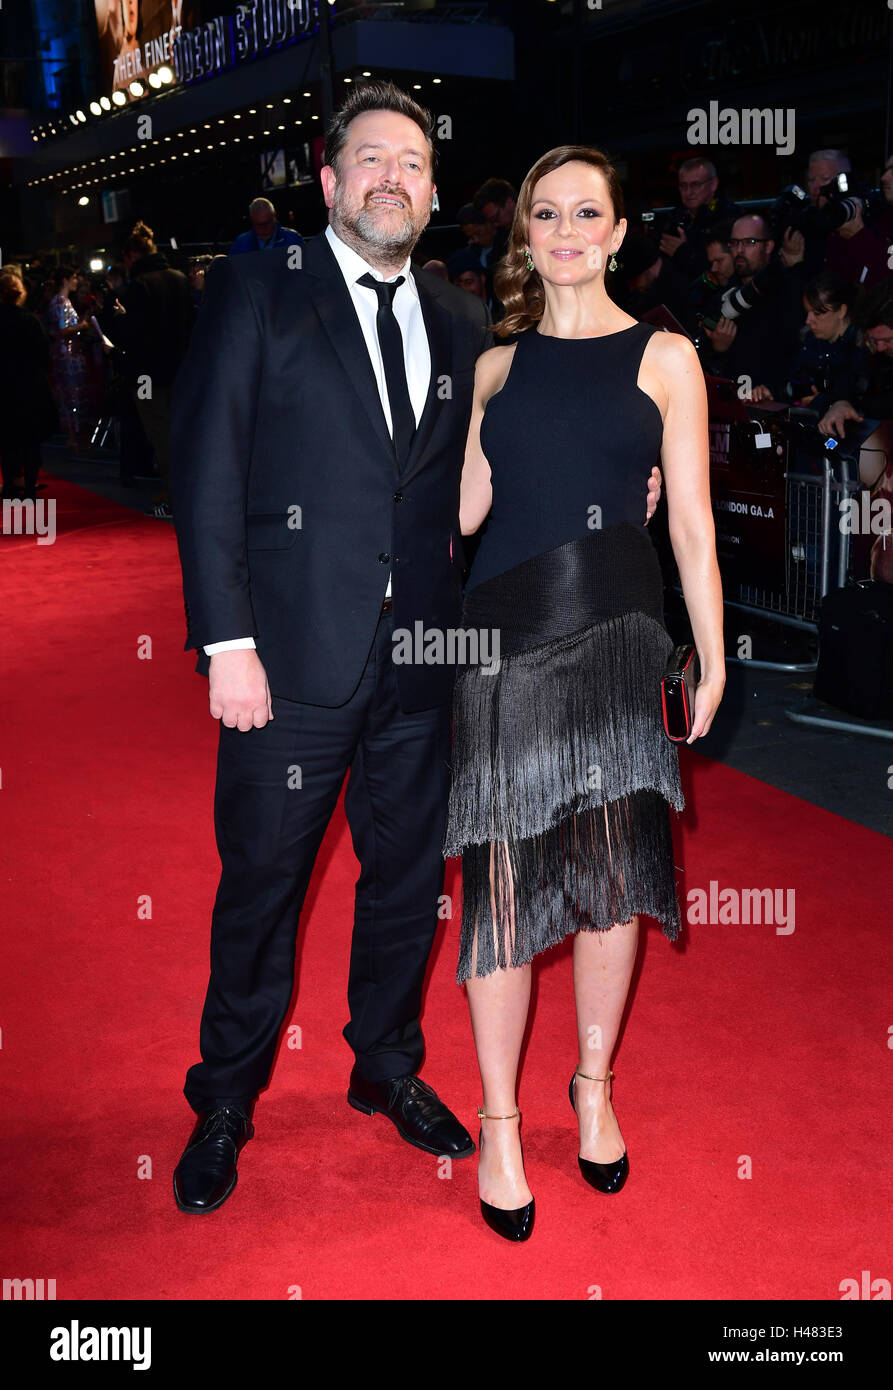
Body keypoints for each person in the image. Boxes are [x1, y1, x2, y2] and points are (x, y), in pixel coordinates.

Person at [169, 81, 559, 1216]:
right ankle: (225, 1096)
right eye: (372, 157)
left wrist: (618, 468)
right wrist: (224, 641)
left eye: (414, 163)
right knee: (262, 885)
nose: (394, 176)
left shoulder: (457, 314)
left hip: (421, 661)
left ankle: (384, 1063)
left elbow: (485, 480)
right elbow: (204, 475)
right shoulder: (257, 288)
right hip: (285, 660)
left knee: (404, 885)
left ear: (432, 195)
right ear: (329, 179)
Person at [444, 145, 724, 1242]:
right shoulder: (494, 370)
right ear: (524, 235)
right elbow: (465, 514)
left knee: (611, 885)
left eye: (586, 213)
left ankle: (591, 1088)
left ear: (616, 233)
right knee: (504, 895)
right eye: (544, 213)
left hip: (614, 642)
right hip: (502, 651)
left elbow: (692, 523)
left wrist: (709, 651)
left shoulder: (666, 358)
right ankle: (500, 1119)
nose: (564, 230)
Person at [111, 221, 195, 519]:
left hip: (149, 374)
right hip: (182, 369)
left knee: (163, 439)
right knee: (186, 437)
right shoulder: (179, 278)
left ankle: (175, 501)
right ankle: (189, 496)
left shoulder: (139, 286)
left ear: (132, 256)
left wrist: (121, 318)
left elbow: (135, 334)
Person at [749, 271, 865, 408]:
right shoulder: (810, 341)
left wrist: (823, 403)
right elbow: (793, 386)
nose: (808, 320)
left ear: (841, 311)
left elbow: (859, 400)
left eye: (817, 313)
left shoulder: (861, 348)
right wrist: (770, 392)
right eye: (807, 312)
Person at [0, 271, 58, 499]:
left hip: (4, 387)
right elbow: (44, 354)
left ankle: (11, 487)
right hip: (29, 387)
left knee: (7, 441)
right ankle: (31, 486)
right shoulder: (31, 320)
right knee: (30, 442)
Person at [45, 266, 91, 454]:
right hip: (68, 356)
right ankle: (74, 436)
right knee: (72, 396)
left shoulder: (62, 301)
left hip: (68, 354)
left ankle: (75, 436)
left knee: (72, 396)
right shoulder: (61, 301)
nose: (76, 281)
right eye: (73, 277)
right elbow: (63, 331)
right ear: (64, 280)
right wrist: (82, 325)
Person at [228, 197, 303, 255]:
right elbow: (234, 272)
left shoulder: (293, 239)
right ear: (252, 220)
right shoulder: (241, 243)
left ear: (274, 216)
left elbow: (300, 270)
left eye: (268, 223)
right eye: (259, 225)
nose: (265, 228)